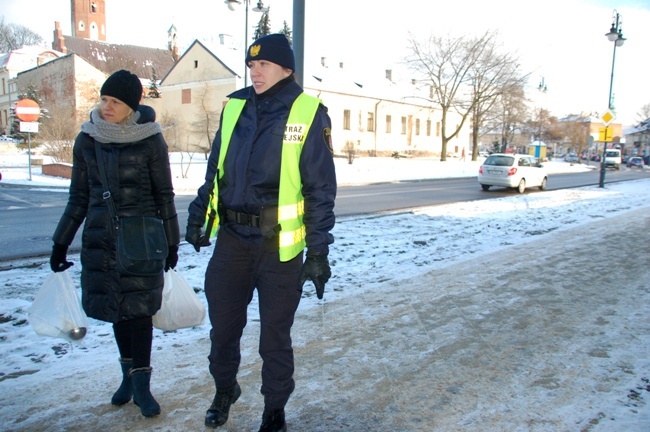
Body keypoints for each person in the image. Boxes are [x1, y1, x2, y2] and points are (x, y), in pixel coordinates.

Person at [185, 34, 336, 431]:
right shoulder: (235, 106)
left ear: (286, 69)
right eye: (252, 64)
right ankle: (224, 389)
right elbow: (215, 169)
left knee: (274, 338)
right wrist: (200, 213)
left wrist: (318, 252)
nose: (255, 71)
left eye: (264, 64)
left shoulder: (308, 112)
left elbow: (320, 188)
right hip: (232, 241)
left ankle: (274, 410)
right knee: (223, 330)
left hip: (279, 249)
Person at [49, 69, 180, 418]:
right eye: (104, 99)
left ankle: (142, 385)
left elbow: (164, 195)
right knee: (118, 311)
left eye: (116, 102)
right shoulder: (87, 140)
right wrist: (60, 243)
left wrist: (172, 242)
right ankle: (127, 377)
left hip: (141, 241)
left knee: (140, 312)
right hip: (102, 239)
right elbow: (78, 197)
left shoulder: (151, 140)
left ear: (131, 106)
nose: (107, 107)